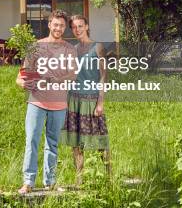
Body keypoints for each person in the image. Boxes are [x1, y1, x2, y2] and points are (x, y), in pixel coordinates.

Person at [16, 10, 76, 194]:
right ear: (49, 25)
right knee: (32, 140)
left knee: (52, 143)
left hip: (59, 104)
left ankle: (50, 182)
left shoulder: (69, 50)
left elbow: (72, 76)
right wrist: (23, 83)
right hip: (37, 102)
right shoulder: (36, 47)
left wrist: (54, 80)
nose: (58, 28)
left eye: (62, 25)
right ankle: (28, 182)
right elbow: (20, 77)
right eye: (55, 24)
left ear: (65, 28)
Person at [61, 14, 111, 186]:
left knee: (100, 141)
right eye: (74, 27)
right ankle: (79, 180)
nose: (77, 30)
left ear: (87, 26)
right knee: (76, 143)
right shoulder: (73, 49)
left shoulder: (98, 47)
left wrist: (101, 101)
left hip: (92, 99)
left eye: (80, 26)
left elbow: (104, 76)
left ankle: (109, 178)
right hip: (74, 99)